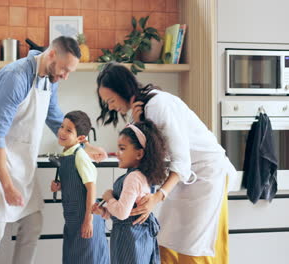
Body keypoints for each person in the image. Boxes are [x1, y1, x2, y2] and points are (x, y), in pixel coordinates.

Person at [0, 36, 107, 264]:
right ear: (51, 54)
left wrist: (86, 146)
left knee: (32, 225)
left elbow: (55, 119)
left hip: (21, 160)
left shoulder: (49, 79)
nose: (65, 76)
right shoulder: (16, 77)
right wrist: (7, 185)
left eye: (69, 72)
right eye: (64, 69)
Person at [95, 62, 236, 264]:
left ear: (123, 90)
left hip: (206, 175)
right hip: (181, 179)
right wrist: (138, 124)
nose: (110, 107)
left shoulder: (158, 105)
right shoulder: (141, 111)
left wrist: (158, 196)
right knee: (167, 240)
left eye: (110, 100)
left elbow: (182, 160)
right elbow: (149, 157)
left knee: (193, 247)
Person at [92, 120, 165, 264]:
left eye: (122, 148)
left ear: (139, 153)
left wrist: (108, 197)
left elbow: (122, 213)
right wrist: (105, 212)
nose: (118, 153)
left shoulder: (133, 177)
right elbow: (125, 211)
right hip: (133, 236)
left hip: (131, 240)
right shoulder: (138, 175)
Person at [50, 110, 109, 264]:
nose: (62, 132)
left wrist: (88, 221)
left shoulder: (80, 156)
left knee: (88, 258)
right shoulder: (66, 154)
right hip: (73, 219)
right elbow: (75, 183)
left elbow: (91, 189)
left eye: (68, 130)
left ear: (81, 138)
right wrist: (60, 186)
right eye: (62, 126)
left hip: (85, 217)